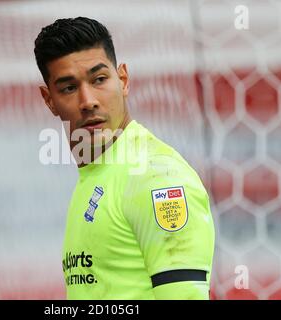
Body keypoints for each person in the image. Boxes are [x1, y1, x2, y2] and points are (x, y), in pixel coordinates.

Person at [34, 17, 215, 300]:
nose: (88, 100)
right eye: (69, 87)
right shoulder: (95, 175)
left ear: (123, 80)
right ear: (49, 100)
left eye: (99, 80)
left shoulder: (156, 176)